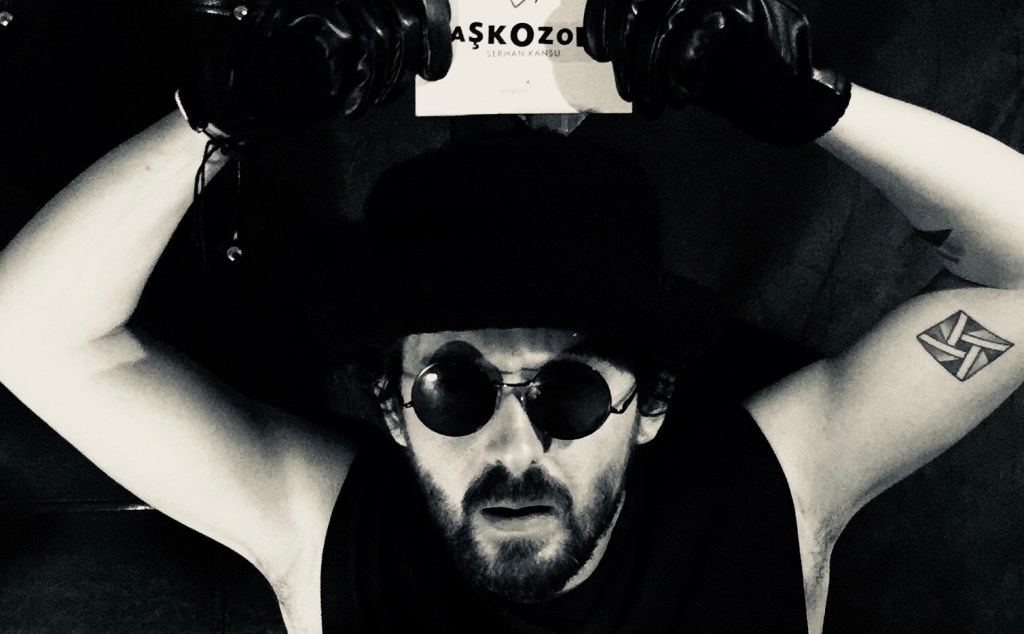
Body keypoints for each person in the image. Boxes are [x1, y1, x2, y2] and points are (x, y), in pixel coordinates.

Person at [1, 0, 1023, 632]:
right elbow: (27, 335)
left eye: (571, 392)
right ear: (392, 406)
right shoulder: (328, 532)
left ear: (650, 404)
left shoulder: (770, 497)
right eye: (454, 390)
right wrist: (222, 113)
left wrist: (818, 105)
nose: (512, 447)